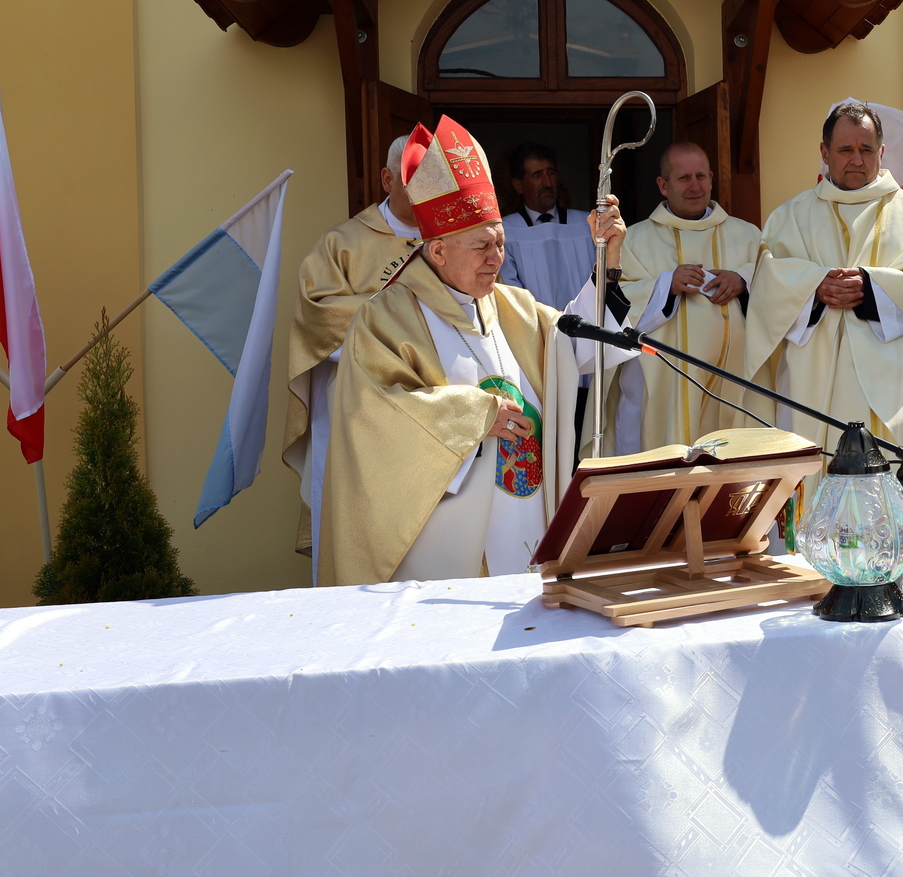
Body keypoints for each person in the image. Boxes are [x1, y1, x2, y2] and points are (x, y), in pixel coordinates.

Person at [318, 116, 633, 586]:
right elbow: (373, 417)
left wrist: (609, 261)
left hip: (525, 522)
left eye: (500, 244)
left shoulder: (511, 307)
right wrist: (474, 413)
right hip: (441, 540)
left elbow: (577, 349)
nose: (496, 259)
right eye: (482, 246)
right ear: (439, 251)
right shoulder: (384, 319)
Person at [744, 102, 903, 525]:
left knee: (888, 509)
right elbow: (767, 283)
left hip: (886, 382)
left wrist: (874, 289)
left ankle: (887, 587)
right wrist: (813, 287)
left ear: (882, 152)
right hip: (810, 382)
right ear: (824, 153)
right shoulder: (790, 217)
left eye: (866, 148)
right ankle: (809, 586)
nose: (856, 159)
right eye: (845, 149)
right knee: (807, 500)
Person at [282, 136, 423, 578]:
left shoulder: (452, 242)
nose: (426, 191)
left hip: (427, 409)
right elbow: (319, 316)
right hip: (354, 406)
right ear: (386, 178)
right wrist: (403, 320)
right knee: (349, 528)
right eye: (414, 178)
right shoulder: (341, 243)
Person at [608, 142, 760, 453]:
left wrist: (743, 279)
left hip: (732, 382)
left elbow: (778, 286)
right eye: (683, 178)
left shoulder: (748, 236)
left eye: (701, 176)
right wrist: (666, 285)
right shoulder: (633, 240)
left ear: (712, 179)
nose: (695, 186)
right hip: (663, 390)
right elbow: (613, 305)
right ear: (663, 186)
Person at [499, 142, 596, 310]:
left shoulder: (587, 224)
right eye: (537, 175)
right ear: (518, 185)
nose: (547, 182)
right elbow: (510, 293)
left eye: (550, 173)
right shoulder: (507, 231)